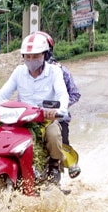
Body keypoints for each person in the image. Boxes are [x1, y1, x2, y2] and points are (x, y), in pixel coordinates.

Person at [0, 33, 69, 182]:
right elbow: (3, 94)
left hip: (43, 118)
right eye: (27, 57)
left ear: (45, 55)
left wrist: (57, 111)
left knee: (53, 134)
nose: (31, 60)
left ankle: (54, 166)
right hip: (19, 118)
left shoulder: (54, 72)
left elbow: (63, 95)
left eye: (36, 56)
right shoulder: (19, 71)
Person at [34, 31, 81, 178]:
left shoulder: (60, 70)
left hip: (56, 118)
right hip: (34, 118)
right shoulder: (26, 72)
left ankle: (57, 171)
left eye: (39, 53)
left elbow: (74, 94)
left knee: (57, 146)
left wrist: (59, 108)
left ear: (47, 52)